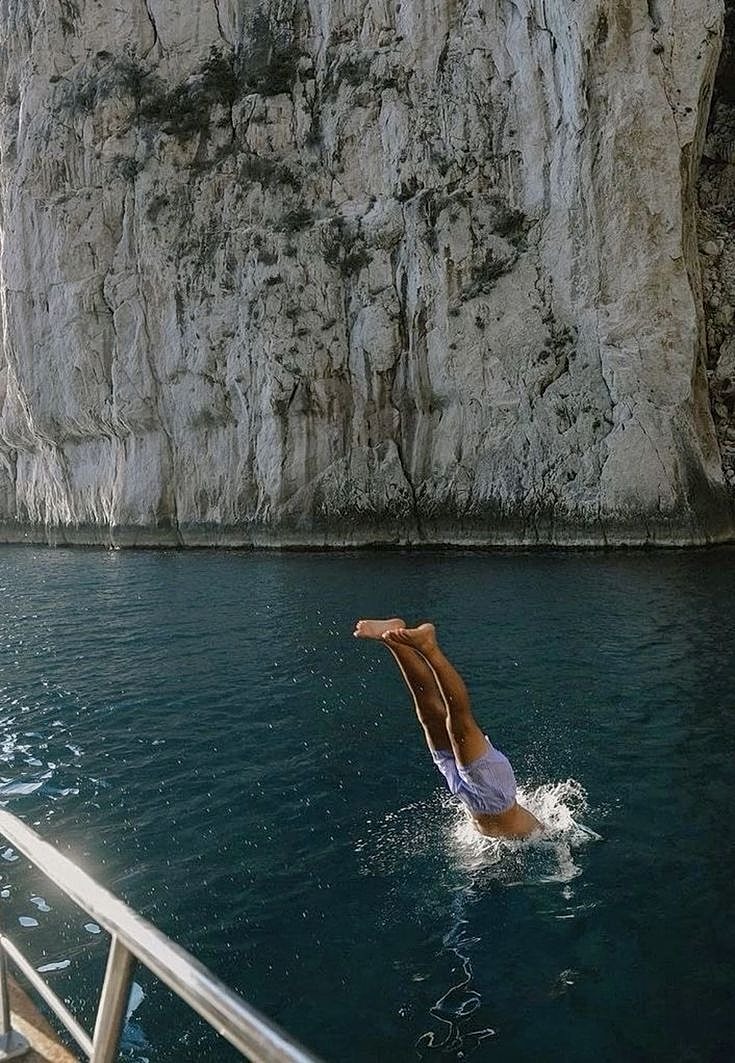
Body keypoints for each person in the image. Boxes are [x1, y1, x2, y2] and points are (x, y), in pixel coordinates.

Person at [353, 618, 542, 838]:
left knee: (429, 715)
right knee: (459, 723)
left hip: (467, 795)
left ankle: (394, 640)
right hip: (494, 795)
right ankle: (429, 648)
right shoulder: (543, 836)